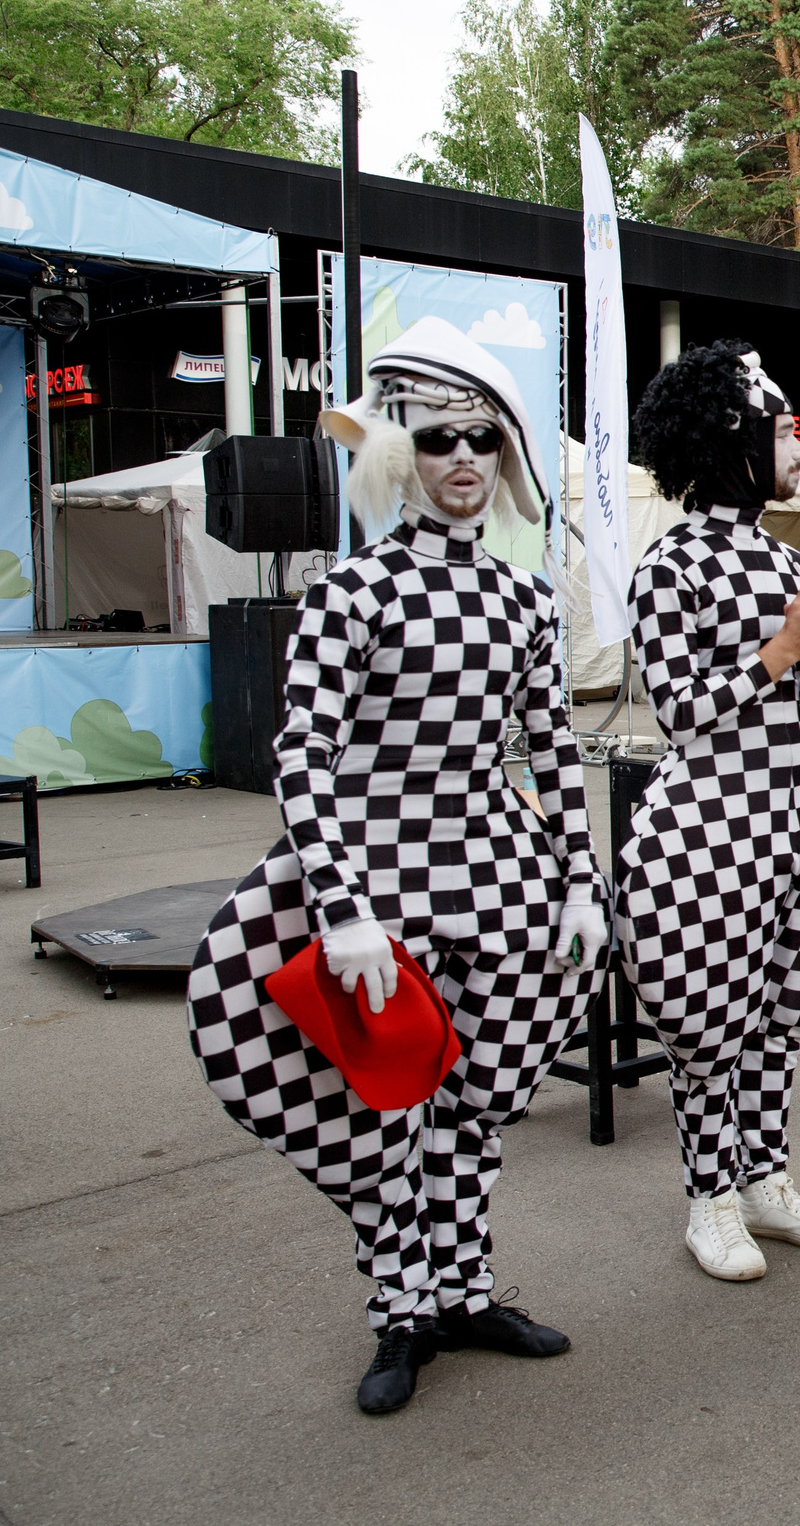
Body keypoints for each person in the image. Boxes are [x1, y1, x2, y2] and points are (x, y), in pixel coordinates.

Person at [186, 318, 604, 1415]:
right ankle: (399, 1312)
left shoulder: (524, 599)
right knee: (386, 1103)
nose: (462, 457)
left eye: (480, 438)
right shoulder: (351, 592)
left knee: (473, 1104)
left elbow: (551, 749)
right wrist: (341, 906)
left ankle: (462, 1293)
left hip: (498, 871)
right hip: (379, 874)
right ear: (396, 453)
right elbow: (303, 755)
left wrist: (579, 879)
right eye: (437, 438)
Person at [616, 338, 800, 1281]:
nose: (799, 444)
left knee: (781, 1013)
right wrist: (781, 652)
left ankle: (766, 1181)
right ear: (728, 439)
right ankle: (709, 1199)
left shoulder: (782, 556)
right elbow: (682, 713)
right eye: (781, 429)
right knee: (707, 1019)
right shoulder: (668, 567)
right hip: (710, 822)